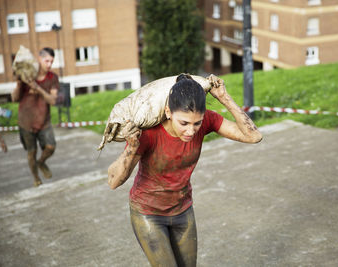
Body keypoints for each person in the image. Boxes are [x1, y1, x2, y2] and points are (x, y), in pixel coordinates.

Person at [108, 74, 262, 266]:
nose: (191, 131)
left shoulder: (207, 121)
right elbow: (113, 181)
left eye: (196, 123)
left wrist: (224, 97)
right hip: (148, 213)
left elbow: (253, 136)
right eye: (184, 123)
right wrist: (131, 147)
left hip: (182, 210)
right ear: (168, 112)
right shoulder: (148, 135)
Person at [11, 47, 59, 187]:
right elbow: (15, 99)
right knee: (31, 152)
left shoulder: (52, 78)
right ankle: (36, 177)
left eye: (51, 61)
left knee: (50, 147)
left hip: (44, 121)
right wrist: (20, 83)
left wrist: (37, 88)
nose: (49, 64)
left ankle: (41, 162)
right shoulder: (27, 74)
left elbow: (53, 100)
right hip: (26, 122)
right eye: (47, 60)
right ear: (39, 59)